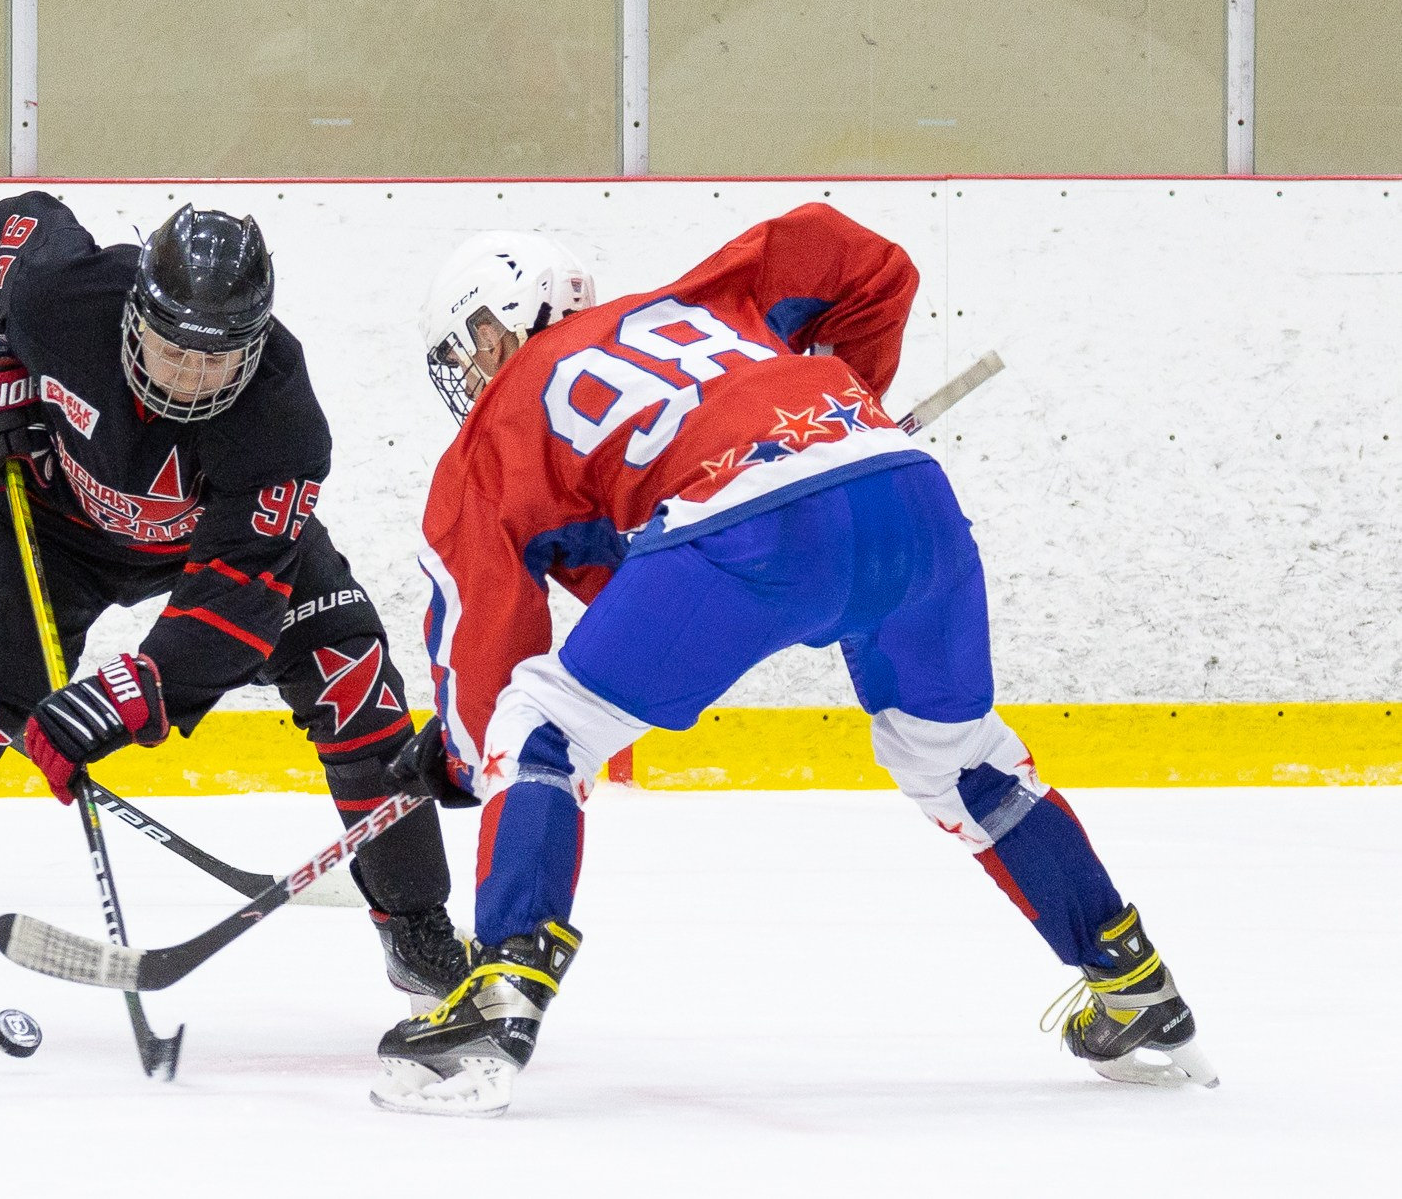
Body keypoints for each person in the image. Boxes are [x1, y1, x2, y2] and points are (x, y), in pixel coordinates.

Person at [369, 207, 1215, 1117]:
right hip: (904, 488)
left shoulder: (496, 426)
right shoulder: (695, 301)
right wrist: (847, 405)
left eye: (466, 348)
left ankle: (499, 996)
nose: (467, 375)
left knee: (540, 727)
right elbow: (866, 260)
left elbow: (486, 631)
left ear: (497, 322)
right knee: (958, 755)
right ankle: (1133, 985)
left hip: (754, 526)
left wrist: (462, 756)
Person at [0, 194, 467, 1048]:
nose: (188, 376)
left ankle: (421, 936)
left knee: (354, 681)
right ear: (135, 314)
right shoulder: (69, 297)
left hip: (208, 546)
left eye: (216, 359)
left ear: (256, 344)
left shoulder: (283, 425)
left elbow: (233, 598)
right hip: (45, 520)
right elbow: (13, 227)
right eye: (170, 347)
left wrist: (133, 694)